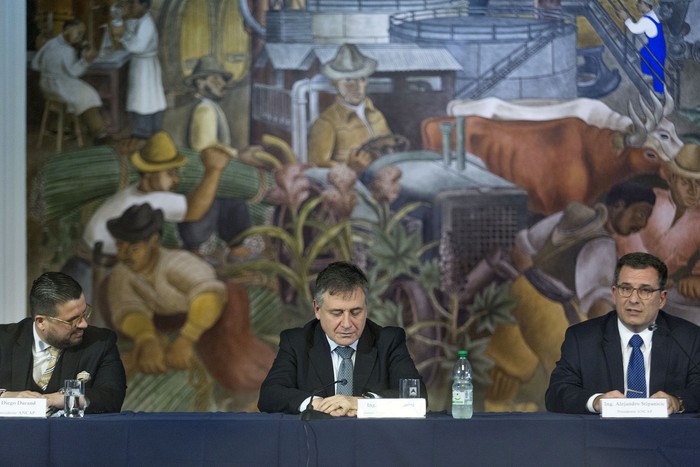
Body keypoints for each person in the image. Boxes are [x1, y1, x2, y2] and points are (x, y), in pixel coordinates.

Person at [484, 182, 656, 411]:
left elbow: (522, 249)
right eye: (640, 213)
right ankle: (559, 425)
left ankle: (496, 405)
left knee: (513, 355)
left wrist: (528, 280)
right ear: (618, 206)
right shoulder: (602, 244)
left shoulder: (573, 215)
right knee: (565, 363)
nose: (642, 224)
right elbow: (599, 305)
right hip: (548, 304)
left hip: (520, 290)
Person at [105, 203, 274, 386]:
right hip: (171, 315)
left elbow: (208, 296)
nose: (124, 255)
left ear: (153, 242)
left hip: (217, 308)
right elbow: (128, 306)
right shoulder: (123, 271)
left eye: (134, 249)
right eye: (120, 246)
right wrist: (146, 339)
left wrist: (187, 338)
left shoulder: (177, 263)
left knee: (234, 366)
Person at [258, 261, 426, 416]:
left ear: (366, 308)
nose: (347, 324)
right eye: (337, 313)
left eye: (355, 312)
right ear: (317, 309)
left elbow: (418, 398)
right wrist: (315, 403)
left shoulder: (388, 341)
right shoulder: (296, 342)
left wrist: (361, 403)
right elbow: (269, 395)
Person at [545, 252, 700, 414]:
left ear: (661, 299)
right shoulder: (582, 338)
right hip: (604, 437)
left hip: (666, 436)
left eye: (645, 290)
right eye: (626, 289)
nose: (633, 299)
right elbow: (556, 394)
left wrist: (677, 401)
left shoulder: (688, 338)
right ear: (614, 293)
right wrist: (596, 401)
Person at [82, 130, 252, 261]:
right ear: (149, 174)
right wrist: (213, 170)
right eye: (170, 173)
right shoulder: (150, 200)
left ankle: (230, 249)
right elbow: (194, 211)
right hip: (107, 259)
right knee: (207, 205)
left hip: (103, 251)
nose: (176, 179)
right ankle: (225, 250)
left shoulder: (137, 192)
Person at [0, 272, 126, 413]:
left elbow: (112, 398)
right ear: (41, 322)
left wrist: (58, 399)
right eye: (72, 320)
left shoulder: (100, 343)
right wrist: (5, 397)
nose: (83, 324)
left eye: (84, 313)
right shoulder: (4, 341)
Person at [616, 143, 700, 325]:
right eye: (685, 182)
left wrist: (695, 279)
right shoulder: (650, 200)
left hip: (662, 298)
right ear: (670, 178)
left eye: (699, 184)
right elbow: (624, 237)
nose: (694, 192)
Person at [307, 43, 393, 172]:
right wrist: (350, 168)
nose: (356, 86)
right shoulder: (326, 123)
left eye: (362, 79)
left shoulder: (376, 115)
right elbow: (316, 167)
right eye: (348, 80)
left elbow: (391, 150)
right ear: (335, 83)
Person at [31, 19, 110, 145]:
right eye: (78, 33)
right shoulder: (68, 50)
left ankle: (63, 127)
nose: (80, 37)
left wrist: (51, 70)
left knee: (82, 91)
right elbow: (74, 73)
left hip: (46, 86)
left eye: (82, 34)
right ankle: (99, 133)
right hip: (59, 87)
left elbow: (35, 64)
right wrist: (86, 60)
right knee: (89, 93)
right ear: (66, 30)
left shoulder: (50, 43)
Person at [111, 0, 167, 146]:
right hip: (140, 64)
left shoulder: (147, 23)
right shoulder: (137, 20)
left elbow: (137, 46)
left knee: (144, 99)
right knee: (142, 99)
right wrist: (117, 18)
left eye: (133, 4)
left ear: (144, 6)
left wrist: (122, 35)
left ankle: (145, 134)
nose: (130, 7)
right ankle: (144, 132)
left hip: (145, 65)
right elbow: (124, 30)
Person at [618, 0, 666, 94]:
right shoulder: (652, 14)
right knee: (644, 52)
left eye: (639, 3)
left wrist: (626, 19)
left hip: (656, 49)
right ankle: (648, 74)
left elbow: (635, 29)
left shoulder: (646, 20)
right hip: (656, 45)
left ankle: (660, 93)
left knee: (657, 71)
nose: (637, 5)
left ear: (645, 4)